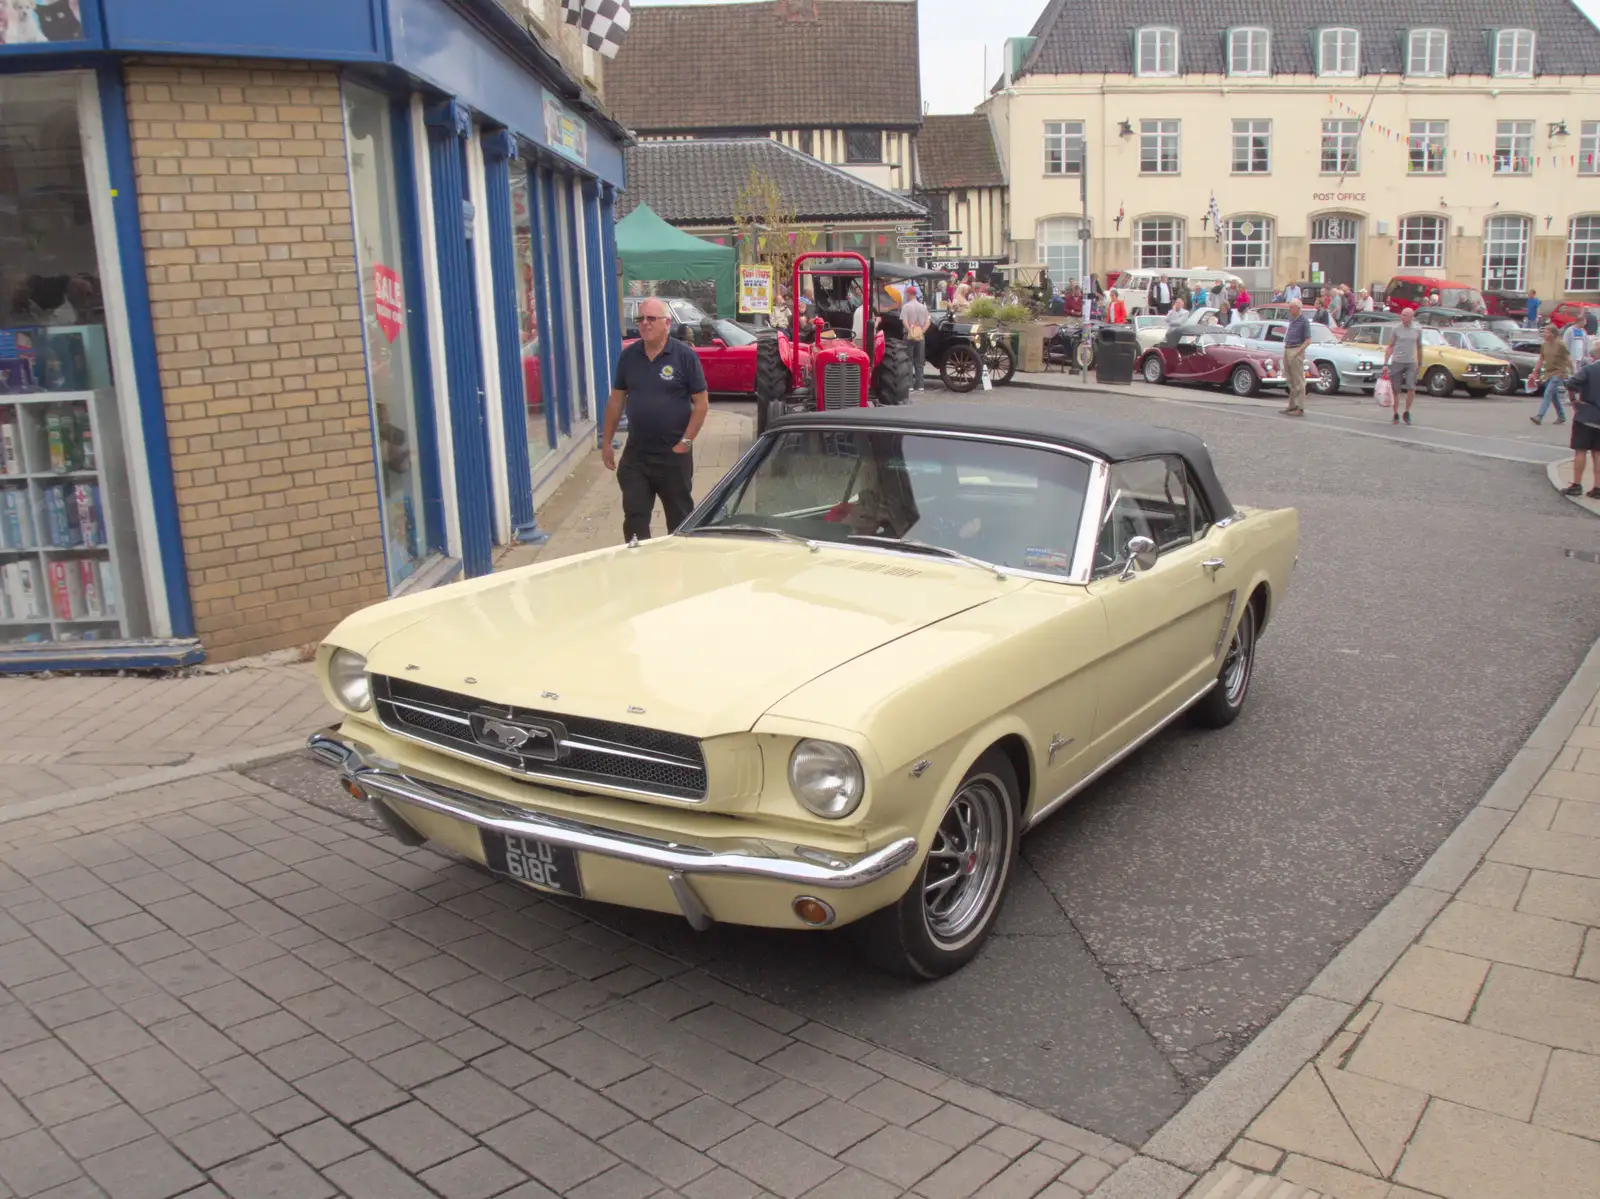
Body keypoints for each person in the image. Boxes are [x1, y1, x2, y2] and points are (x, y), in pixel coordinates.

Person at [601, 297, 709, 542]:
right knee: (635, 518)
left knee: (679, 521)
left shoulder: (684, 357)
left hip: (673, 456)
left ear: (667, 323)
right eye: (640, 319)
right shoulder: (628, 357)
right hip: (637, 456)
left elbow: (701, 404)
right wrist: (607, 441)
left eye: (651, 319)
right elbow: (616, 400)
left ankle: (679, 572)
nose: (645, 324)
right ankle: (640, 571)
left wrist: (687, 442)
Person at [1560, 355, 1600, 497]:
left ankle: (1576, 485)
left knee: (1581, 451)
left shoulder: (1590, 369)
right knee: (1597, 453)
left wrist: (1573, 400)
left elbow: (1571, 383)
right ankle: (1597, 487)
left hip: (1587, 416)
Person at [1383, 307, 1424, 425]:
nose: (1403, 317)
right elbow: (1390, 346)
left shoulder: (1417, 329)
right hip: (1397, 361)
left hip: (1411, 361)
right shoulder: (1396, 328)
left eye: (1405, 315)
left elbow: (1419, 346)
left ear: (1411, 317)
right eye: (1402, 315)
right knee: (1396, 389)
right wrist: (1386, 363)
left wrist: (1420, 362)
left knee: (1411, 387)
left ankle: (1407, 412)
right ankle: (1395, 413)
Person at [1530, 324, 1572, 426]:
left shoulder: (1561, 345)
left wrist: (1573, 372)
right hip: (1548, 373)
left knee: (1548, 392)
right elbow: (1541, 359)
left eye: (1547, 332)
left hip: (1559, 372)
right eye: (1545, 332)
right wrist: (1535, 372)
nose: (1545, 334)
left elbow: (1568, 359)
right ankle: (1561, 416)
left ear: (1553, 334)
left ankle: (1539, 416)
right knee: (1554, 396)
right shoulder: (1544, 345)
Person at [1280, 299, 1311, 416]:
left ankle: (1300, 407)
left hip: (1296, 349)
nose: (1289, 310)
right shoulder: (1292, 320)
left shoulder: (1304, 322)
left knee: (1298, 380)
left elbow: (1308, 340)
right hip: (1288, 348)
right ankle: (1292, 405)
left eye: (1291, 307)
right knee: (1290, 379)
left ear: (1298, 308)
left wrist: (1298, 352)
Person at [900, 284, 930, 394]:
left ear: (909, 294)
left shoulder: (906, 307)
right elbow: (928, 322)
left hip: (909, 336)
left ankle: (910, 386)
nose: (905, 296)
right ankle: (920, 385)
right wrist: (922, 331)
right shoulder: (923, 307)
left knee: (909, 360)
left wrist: (910, 331)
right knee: (920, 361)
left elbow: (905, 322)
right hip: (920, 336)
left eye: (906, 294)